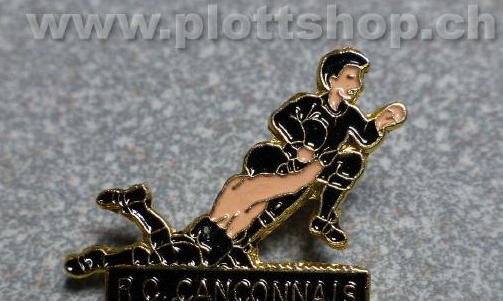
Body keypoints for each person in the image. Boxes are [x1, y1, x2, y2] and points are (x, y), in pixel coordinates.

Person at [65, 47, 406, 277]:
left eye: (358, 79)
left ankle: (324, 216)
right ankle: (128, 221)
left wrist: (381, 122)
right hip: (284, 171)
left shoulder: (350, 116)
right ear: (331, 79)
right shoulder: (307, 105)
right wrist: (301, 148)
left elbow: (365, 137)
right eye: (350, 77)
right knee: (174, 249)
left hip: (263, 202)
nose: (356, 85)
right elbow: (283, 121)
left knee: (166, 251)